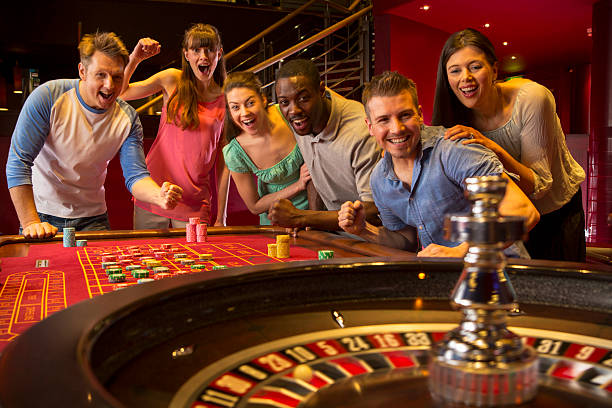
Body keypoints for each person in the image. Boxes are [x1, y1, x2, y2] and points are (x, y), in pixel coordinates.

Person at [338, 71, 539, 258]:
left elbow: (523, 212)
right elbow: (406, 241)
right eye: (383, 120)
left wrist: (461, 251)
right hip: (448, 278)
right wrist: (364, 230)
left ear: (419, 114)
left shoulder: (453, 149)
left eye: (405, 115)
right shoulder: (379, 179)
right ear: (370, 127)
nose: (396, 129)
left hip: (502, 272)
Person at [6, 32, 183, 239]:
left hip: (93, 219)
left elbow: (136, 176)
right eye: (101, 75)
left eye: (117, 77)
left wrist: (159, 196)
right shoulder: (48, 97)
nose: (110, 85)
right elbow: (19, 162)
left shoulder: (129, 118)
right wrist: (30, 222)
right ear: (82, 71)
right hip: (43, 217)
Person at [431, 28, 585, 262]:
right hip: (507, 215)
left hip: (555, 213)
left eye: (475, 67)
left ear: (494, 70)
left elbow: (540, 185)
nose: (465, 78)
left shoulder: (532, 98)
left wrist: (492, 147)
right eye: (455, 70)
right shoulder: (454, 118)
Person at [120, 24, 229, 229]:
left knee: (196, 260)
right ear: (186, 54)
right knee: (147, 259)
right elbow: (122, 92)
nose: (203, 56)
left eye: (209, 50)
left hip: (194, 203)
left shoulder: (226, 99)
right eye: (196, 50)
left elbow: (224, 164)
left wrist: (221, 217)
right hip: (153, 194)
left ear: (219, 53)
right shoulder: (172, 79)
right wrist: (135, 59)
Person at [269, 58, 382, 231]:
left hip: (372, 240)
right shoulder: (303, 122)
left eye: (303, 98)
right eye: (285, 102)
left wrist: (302, 217)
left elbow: (374, 211)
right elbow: (315, 173)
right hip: (337, 235)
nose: (293, 110)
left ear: (321, 91)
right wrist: (312, 224)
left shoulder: (359, 131)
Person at [222, 71, 311, 224]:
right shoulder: (235, 153)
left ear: (263, 100)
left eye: (250, 103)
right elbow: (255, 206)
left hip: (317, 207)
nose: (244, 113)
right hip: (279, 219)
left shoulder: (286, 112)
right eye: (235, 107)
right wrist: (298, 185)